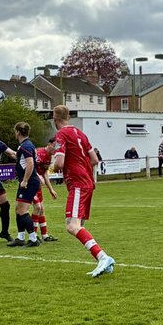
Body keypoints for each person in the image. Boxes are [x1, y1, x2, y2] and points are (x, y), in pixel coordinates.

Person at [52, 104, 114, 277]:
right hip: (86, 182)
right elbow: (94, 159)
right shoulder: (81, 134)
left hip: (78, 183)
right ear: (69, 117)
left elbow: (59, 163)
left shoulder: (61, 134)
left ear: (54, 119)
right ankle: (102, 260)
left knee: (72, 226)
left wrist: (56, 167)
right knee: (77, 224)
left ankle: (103, 257)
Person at [6, 121, 42, 248]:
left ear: (18, 132)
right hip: (28, 182)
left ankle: (33, 238)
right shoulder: (26, 145)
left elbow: (30, 163)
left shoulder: (26, 146)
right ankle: (20, 237)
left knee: (22, 210)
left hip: (29, 182)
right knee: (18, 209)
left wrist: (25, 180)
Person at [31, 138, 59, 241]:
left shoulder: (49, 157)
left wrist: (51, 189)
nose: (56, 149)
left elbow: (45, 173)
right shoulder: (38, 153)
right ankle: (32, 235)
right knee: (38, 208)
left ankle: (44, 236)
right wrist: (38, 177)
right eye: (55, 146)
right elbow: (29, 166)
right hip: (30, 185)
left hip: (38, 187)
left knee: (42, 209)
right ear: (50, 144)